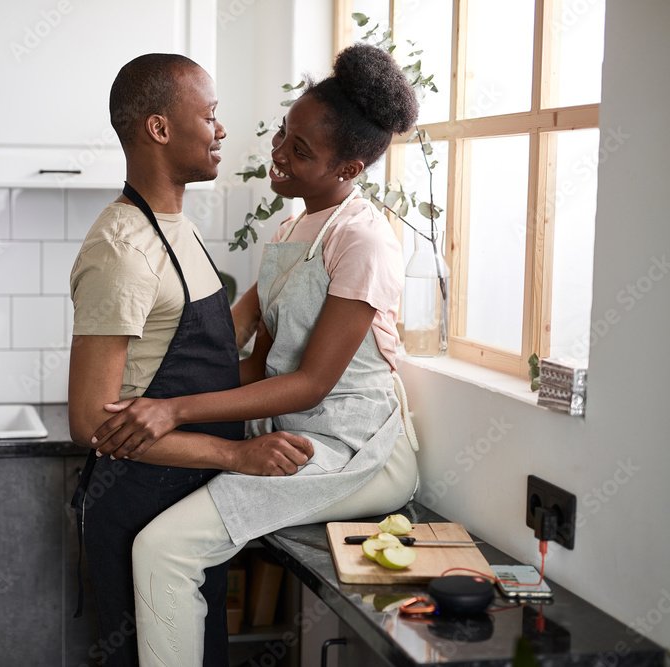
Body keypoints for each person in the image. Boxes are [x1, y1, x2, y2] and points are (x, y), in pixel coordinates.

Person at [89, 43, 422, 665]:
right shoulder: (289, 232)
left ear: (349, 166)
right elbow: (237, 355)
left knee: (165, 548)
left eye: (302, 152)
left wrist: (175, 410)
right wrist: (153, 405)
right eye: (284, 134)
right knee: (163, 547)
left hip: (357, 448)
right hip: (298, 434)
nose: (278, 154)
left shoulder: (365, 239)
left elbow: (311, 382)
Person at [67, 54, 315, 667]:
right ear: (158, 128)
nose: (221, 130)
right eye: (209, 116)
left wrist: (294, 264)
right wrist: (236, 453)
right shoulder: (121, 249)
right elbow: (91, 423)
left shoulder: (178, 227)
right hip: (138, 505)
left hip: (189, 503)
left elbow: (206, 349)